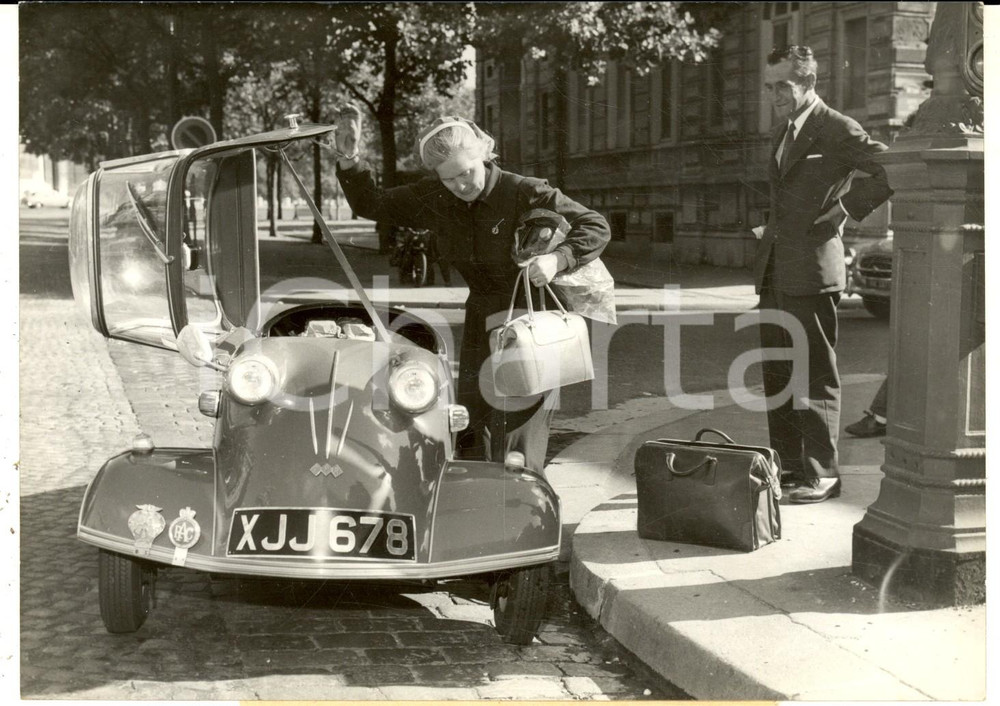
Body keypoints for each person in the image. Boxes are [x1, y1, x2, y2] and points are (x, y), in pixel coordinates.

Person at [328, 106, 610, 472]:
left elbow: (594, 224)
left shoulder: (522, 191)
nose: (461, 185)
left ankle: (521, 514)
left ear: (484, 153)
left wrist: (559, 258)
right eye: (449, 180)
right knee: (468, 429)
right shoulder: (436, 198)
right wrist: (350, 158)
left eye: (467, 172)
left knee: (515, 441)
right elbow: (372, 203)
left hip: (528, 322)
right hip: (481, 321)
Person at [755, 46, 893, 504]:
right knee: (777, 374)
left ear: (810, 82)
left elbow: (890, 168)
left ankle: (823, 474)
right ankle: (788, 468)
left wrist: (845, 209)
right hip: (777, 270)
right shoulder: (785, 129)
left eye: (784, 86)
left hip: (813, 271)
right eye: (770, 85)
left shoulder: (835, 127)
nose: (774, 94)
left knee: (814, 374)